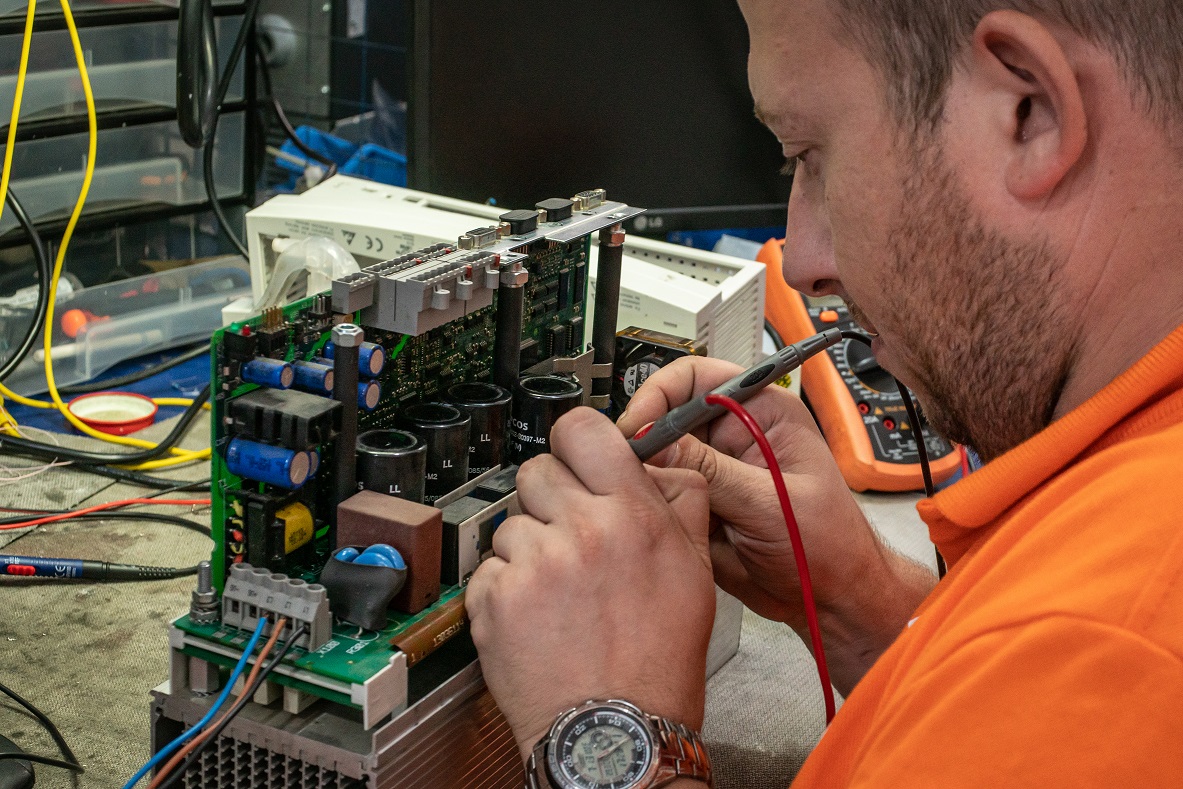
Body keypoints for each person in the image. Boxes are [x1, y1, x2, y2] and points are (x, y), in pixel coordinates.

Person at [465, 0, 1183, 785]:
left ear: (1027, 111)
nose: (801, 260)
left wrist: (607, 728)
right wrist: (857, 604)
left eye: (807, 155)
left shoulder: (1107, 642)